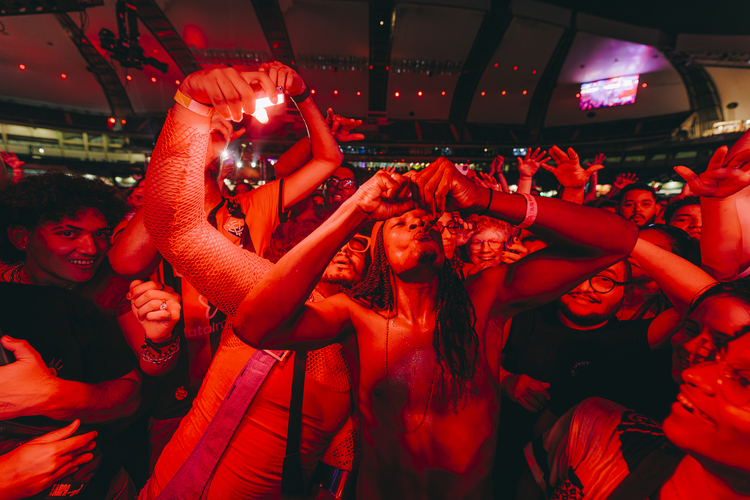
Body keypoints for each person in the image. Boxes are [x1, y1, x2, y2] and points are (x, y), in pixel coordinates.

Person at [234, 150, 638, 498]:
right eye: (400, 223)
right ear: (377, 250)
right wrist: (354, 210)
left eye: (428, 221)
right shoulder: (354, 314)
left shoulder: (486, 299)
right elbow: (254, 326)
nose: (418, 224)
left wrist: (485, 198)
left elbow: (619, 240)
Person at [140, 66, 370, 499]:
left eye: (358, 243)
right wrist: (191, 108)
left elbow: (342, 464)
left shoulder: (365, 344)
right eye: (328, 237)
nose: (339, 246)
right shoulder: (269, 297)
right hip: (177, 403)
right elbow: (174, 228)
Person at [523, 278, 750, 500]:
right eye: (690, 328)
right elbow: (534, 475)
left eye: (743, 379)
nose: (693, 373)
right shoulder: (605, 419)